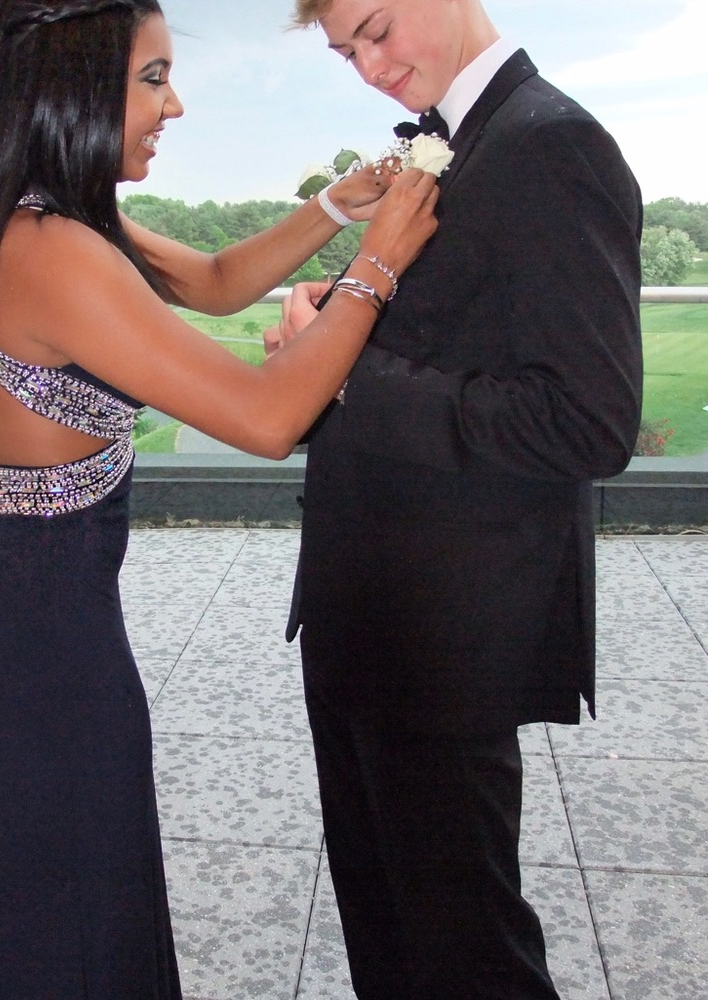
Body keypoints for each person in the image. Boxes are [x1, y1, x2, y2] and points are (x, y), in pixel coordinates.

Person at [0, 1, 439, 997]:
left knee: (81, 916)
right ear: (69, 85)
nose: (176, 105)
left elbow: (211, 280)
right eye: (152, 79)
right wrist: (378, 263)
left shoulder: (57, 220)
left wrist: (338, 207)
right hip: (32, 644)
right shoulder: (50, 247)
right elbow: (266, 416)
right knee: (69, 932)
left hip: (37, 619)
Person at [270, 1, 644, 998]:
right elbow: (436, 328)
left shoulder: (552, 143)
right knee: (388, 937)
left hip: (446, 635)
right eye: (346, 52)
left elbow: (587, 420)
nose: (368, 67)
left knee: (466, 957)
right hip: (364, 610)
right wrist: (328, 322)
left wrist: (344, 374)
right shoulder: (456, 139)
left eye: (377, 28)